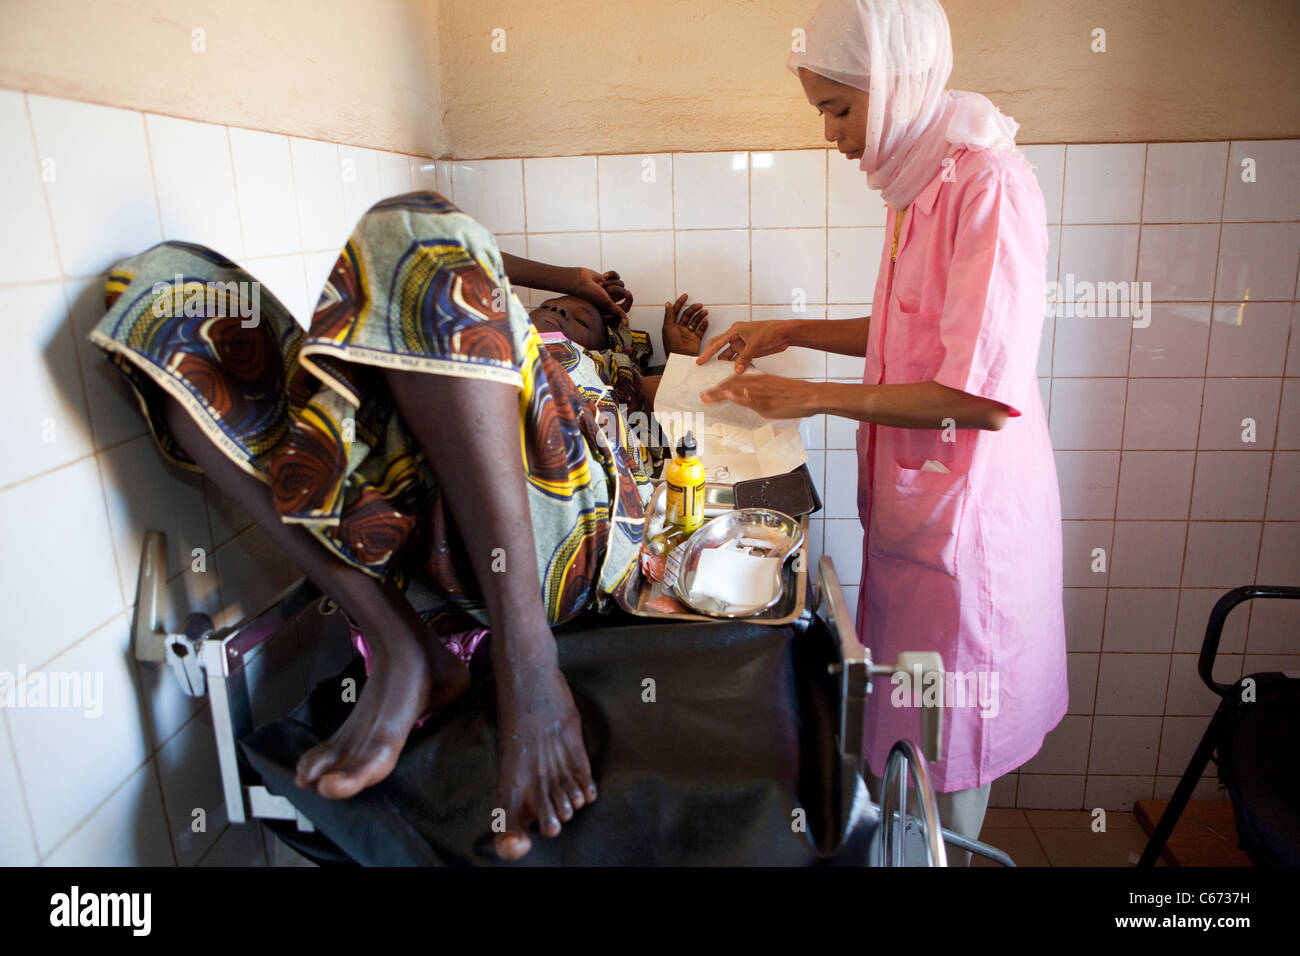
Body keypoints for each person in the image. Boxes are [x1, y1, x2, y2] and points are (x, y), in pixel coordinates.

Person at [88, 192, 654, 861]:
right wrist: (557, 287)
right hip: (398, 532)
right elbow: (455, 279)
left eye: (580, 319)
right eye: (554, 307)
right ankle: (402, 644)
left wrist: (594, 399)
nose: (561, 313)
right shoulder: (453, 312)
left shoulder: (586, 371)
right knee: (164, 298)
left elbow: (634, 412)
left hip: (554, 527)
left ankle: (526, 659)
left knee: (412, 228)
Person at [697, 0, 1067, 865]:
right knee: (915, 737)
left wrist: (813, 398)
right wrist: (794, 333)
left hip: (969, 528)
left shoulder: (988, 185)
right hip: (915, 523)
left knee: (953, 743)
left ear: (894, 87)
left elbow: (981, 396)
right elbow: (913, 330)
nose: (829, 133)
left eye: (838, 108)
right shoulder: (918, 179)